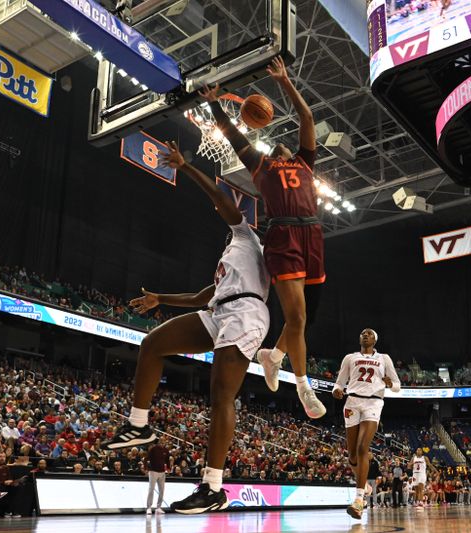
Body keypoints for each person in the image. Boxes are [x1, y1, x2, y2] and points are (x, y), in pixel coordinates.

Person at [101, 143, 271, 514]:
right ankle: (139, 424)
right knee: (153, 343)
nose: (220, 212)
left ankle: (212, 487)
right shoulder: (231, 256)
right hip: (221, 309)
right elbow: (201, 296)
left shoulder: (247, 237)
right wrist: (160, 298)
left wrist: (187, 166)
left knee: (220, 397)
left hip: (246, 313)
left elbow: (219, 197)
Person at [200, 56, 326, 420]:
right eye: (276, 148)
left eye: (283, 147)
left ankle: (275, 355)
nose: (280, 148)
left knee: (306, 319)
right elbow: (231, 132)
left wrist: (284, 81)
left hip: (313, 233)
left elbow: (306, 118)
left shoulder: (305, 161)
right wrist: (212, 104)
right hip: (283, 235)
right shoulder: (261, 165)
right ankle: (303, 386)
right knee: (298, 317)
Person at [332, 328, 401, 518]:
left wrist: (389, 383)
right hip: (352, 401)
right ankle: (365, 486)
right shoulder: (350, 358)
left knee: (363, 448)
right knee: (352, 456)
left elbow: (397, 386)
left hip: (373, 402)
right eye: (363, 333)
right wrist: (336, 391)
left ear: (375, 340)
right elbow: (339, 383)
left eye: (370, 333)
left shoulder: (384, 358)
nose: (365, 335)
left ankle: (358, 500)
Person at [146, 441, 169, 514]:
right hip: (153, 471)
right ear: (158, 442)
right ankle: (149, 507)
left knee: (162, 490)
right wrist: (146, 468)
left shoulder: (166, 450)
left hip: (162, 472)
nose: (163, 443)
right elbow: (146, 459)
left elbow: (167, 460)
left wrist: (168, 468)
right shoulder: (153, 449)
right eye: (161, 441)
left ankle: (158, 507)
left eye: (164, 442)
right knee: (151, 489)